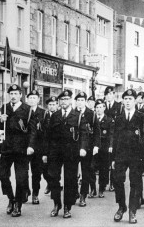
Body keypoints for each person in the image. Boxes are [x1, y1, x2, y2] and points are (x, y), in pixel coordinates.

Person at [112, 89, 144, 224]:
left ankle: (132, 211)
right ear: (123, 101)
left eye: (130, 99)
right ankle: (121, 207)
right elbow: (114, 139)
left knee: (135, 183)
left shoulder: (141, 117)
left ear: (135, 101)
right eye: (125, 99)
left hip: (136, 156)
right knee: (117, 180)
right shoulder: (119, 118)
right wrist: (113, 158)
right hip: (120, 155)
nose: (127, 102)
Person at [43, 90, 88, 218]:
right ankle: (57, 204)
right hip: (55, 152)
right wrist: (45, 153)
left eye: (67, 99)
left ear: (71, 101)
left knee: (70, 180)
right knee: (53, 178)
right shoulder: (55, 116)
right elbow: (48, 135)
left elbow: (84, 134)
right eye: (62, 99)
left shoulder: (78, 116)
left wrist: (83, 148)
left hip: (71, 152)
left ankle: (68, 206)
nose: (64, 102)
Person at [0, 84, 37, 217]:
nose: (13, 96)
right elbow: (1, 126)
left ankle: (18, 205)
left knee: (21, 179)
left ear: (21, 95)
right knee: (2, 174)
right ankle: (11, 198)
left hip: (21, 149)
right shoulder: (5, 107)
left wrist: (31, 146)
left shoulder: (27, 109)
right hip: (7, 148)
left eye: (16, 94)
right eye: (11, 94)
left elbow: (32, 131)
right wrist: (0, 120)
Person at [75, 92, 100, 205]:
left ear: (85, 101)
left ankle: (83, 195)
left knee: (86, 172)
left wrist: (96, 146)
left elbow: (96, 132)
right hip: (74, 146)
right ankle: (74, 192)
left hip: (88, 147)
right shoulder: (73, 113)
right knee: (72, 172)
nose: (80, 102)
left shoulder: (91, 114)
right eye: (78, 100)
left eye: (82, 100)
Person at [26, 90, 46, 205]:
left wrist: (44, 151)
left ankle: (35, 194)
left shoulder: (43, 113)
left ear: (38, 100)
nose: (32, 100)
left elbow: (45, 133)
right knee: (23, 171)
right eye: (30, 98)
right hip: (25, 146)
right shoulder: (23, 111)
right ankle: (25, 190)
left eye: (34, 98)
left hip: (38, 148)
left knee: (36, 173)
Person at [94, 99, 114, 198]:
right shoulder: (93, 119)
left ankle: (101, 188)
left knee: (104, 168)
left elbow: (111, 134)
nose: (99, 109)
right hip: (94, 147)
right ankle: (93, 188)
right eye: (97, 107)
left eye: (101, 107)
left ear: (104, 108)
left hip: (104, 147)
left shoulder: (109, 120)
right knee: (91, 167)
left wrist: (110, 146)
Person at [42, 96, 58, 195]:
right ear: (47, 106)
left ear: (57, 105)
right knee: (44, 169)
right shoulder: (44, 116)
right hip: (45, 145)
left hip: (56, 146)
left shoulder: (60, 115)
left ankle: (54, 186)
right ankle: (49, 183)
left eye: (54, 104)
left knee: (54, 169)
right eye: (50, 105)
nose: (52, 106)